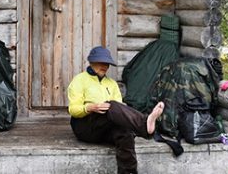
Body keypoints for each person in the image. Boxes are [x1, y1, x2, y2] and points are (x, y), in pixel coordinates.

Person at [67, 46, 165, 174]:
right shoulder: (79, 80)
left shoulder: (112, 83)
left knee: (124, 131)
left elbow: (119, 109)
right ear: (91, 62)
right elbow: (73, 109)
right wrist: (90, 107)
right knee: (112, 105)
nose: (105, 66)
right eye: (102, 62)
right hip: (85, 126)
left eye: (107, 63)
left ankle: (128, 172)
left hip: (104, 128)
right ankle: (145, 124)